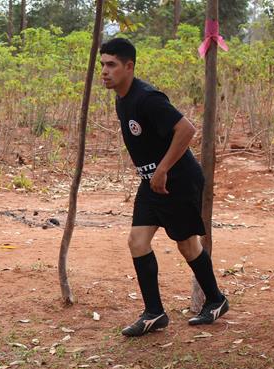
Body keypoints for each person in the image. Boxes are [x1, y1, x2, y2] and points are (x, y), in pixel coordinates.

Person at [99, 37, 229, 337]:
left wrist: (162, 169)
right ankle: (154, 313)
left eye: (112, 65)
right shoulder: (122, 97)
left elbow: (186, 129)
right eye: (103, 65)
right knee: (137, 241)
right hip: (152, 182)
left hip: (178, 180)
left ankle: (216, 300)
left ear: (129, 66)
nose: (105, 71)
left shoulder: (148, 98)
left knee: (187, 244)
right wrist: (153, 174)